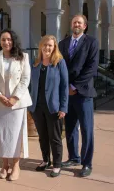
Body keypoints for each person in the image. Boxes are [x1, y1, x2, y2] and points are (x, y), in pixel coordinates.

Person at [59, 14, 99, 177]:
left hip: (83, 93)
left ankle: (86, 163)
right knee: (70, 128)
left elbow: (92, 68)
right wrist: (65, 87)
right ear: (71, 24)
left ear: (85, 26)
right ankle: (73, 157)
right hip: (67, 94)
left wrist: (74, 86)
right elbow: (59, 65)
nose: (76, 24)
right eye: (74, 21)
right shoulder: (63, 43)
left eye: (80, 22)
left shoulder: (91, 42)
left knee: (86, 129)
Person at [0, 29, 32, 181]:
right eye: (3, 40)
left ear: (13, 41)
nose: (6, 42)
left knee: (16, 135)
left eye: (8, 39)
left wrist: (15, 97)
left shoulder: (23, 57)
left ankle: (15, 165)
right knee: (1, 134)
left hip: (17, 103)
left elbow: (25, 79)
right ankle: (4, 164)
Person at [28, 35, 69, 177]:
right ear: (41, 46)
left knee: (55, 137)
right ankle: (46, 160)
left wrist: (63, 107)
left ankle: (57, 164)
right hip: (37, 107)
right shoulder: (35, 63)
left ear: (54, 47)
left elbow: (64, 86)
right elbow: (29, 85)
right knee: (42, 136)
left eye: (50, 45)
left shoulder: (59, 63)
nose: (47, 48)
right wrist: (29, 105)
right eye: (45, 45)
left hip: (54, 107)